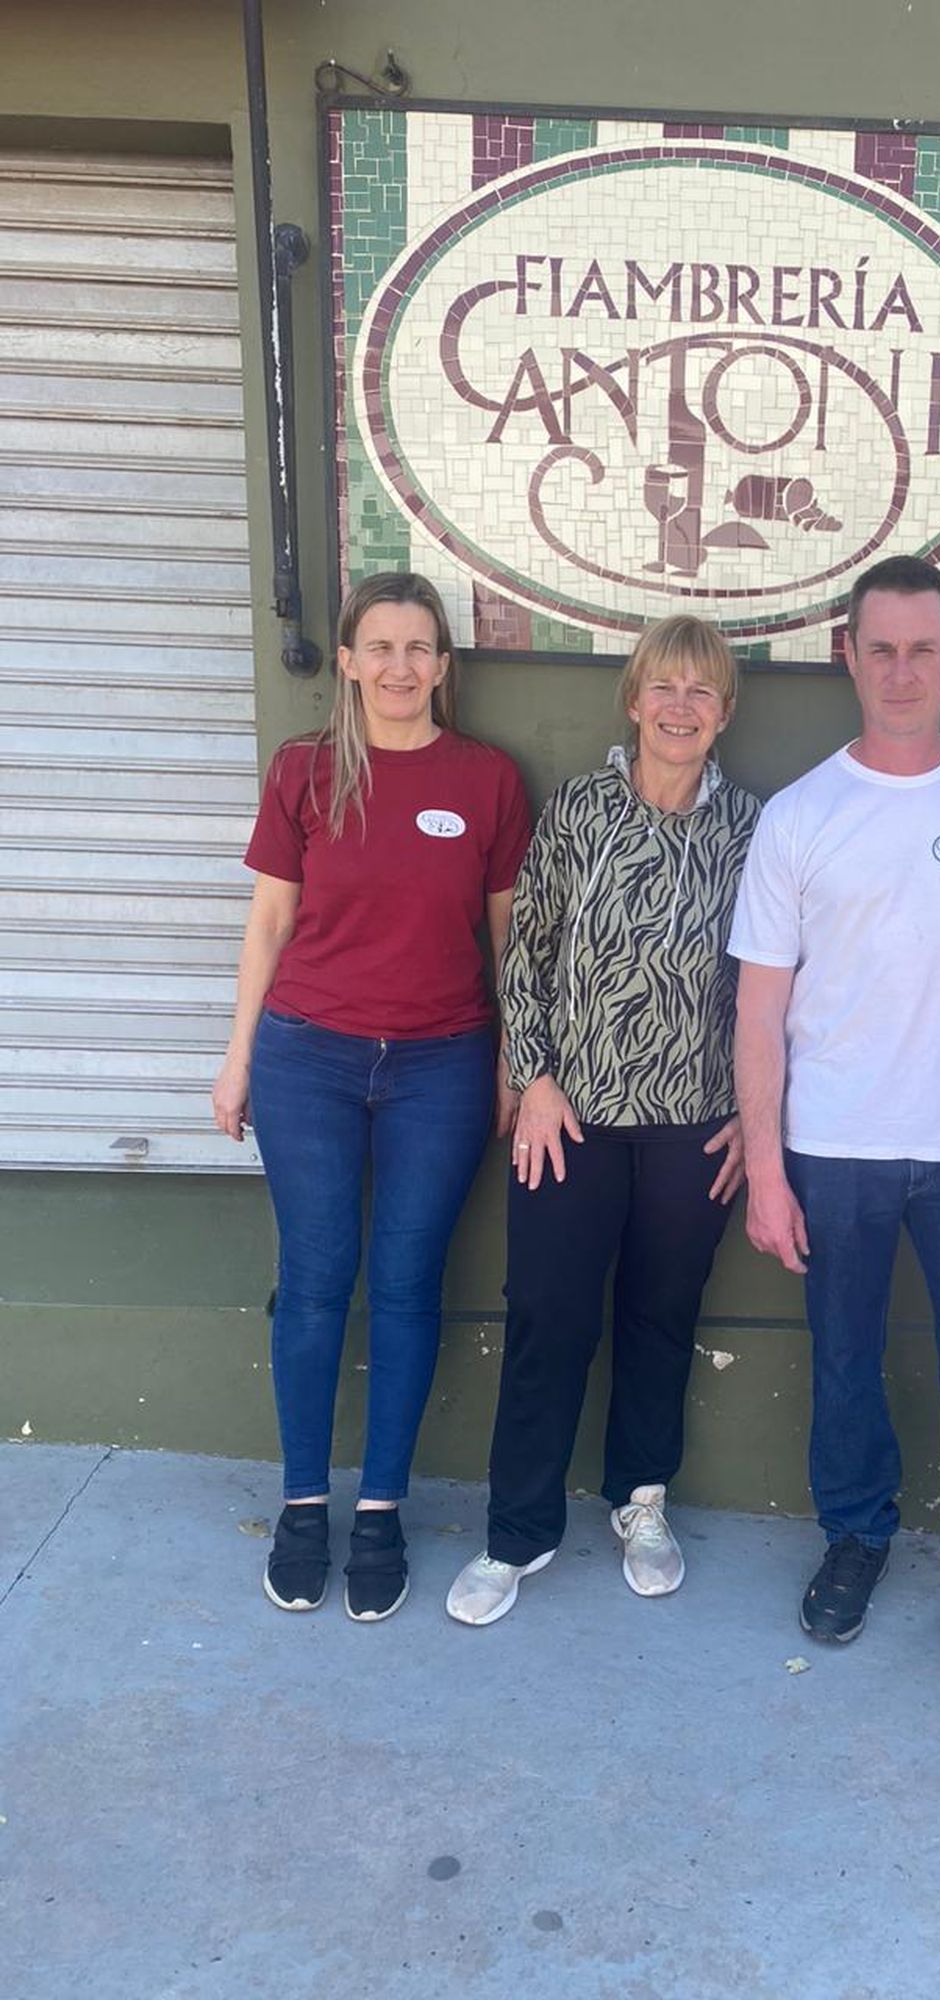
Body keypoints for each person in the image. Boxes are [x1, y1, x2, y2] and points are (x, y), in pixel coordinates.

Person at [730, 554, 940, 1708]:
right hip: (836, 1147)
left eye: (926, 647)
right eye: (883, 647)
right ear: (849, 657)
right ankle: (856, 1536)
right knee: (844, 1362)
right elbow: (760, 1009)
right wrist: (767, 1168)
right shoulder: (801, 814)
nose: (904, 668)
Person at [213, 572, 529, 1622]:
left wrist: (513, 1065)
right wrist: (239, 1054)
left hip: (441, 1063)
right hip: (309, 1056)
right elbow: (268, 923)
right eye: (380, 646)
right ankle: (305, 1504)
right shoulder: (304, 770)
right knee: (314, 1279)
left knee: (405, 1282)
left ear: (445, 664)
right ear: (346, 659)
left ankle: (382, 1508)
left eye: (420, 647)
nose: (400, 666)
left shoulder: (486, 780)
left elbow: (511, 940)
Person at [446, 616, 760, 1626]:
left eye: (701, 691)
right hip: (569, 1115)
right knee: (549, 1315)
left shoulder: (749, 826)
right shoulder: (581, 807)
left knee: (661, 1318)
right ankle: (517, 1529)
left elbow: (773, 983)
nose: (679, 706)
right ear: (633, 700)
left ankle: (641, 1501)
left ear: (724, 713)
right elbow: (526, 950)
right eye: (662, 686)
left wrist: (759, 1116)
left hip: (693, 1122)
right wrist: (530, 1075)